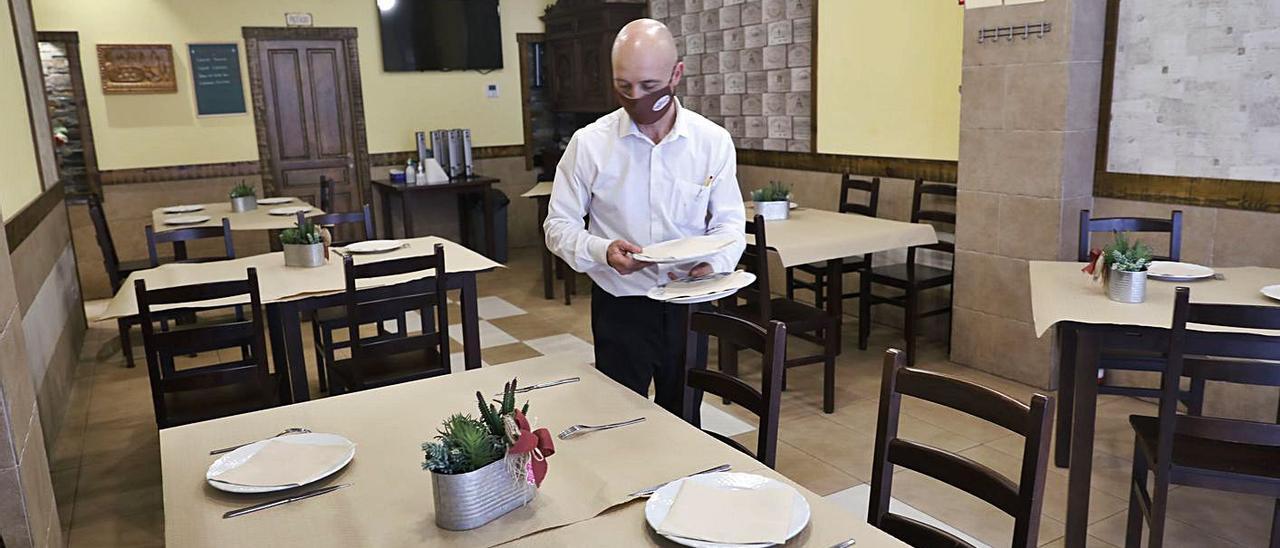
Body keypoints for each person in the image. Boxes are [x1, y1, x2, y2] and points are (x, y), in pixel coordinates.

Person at [543, 18, 746, 416]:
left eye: (649, 86)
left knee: (685, 419)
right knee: (620, 420)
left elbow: (729, 225)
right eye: (623, 86)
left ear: (676, 74)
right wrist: (602, 250)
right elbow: (558, 226)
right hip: (621, 308)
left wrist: (714, 264)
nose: (635, 97)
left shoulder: (712, 143)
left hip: (689, 304)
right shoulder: (589, 144)